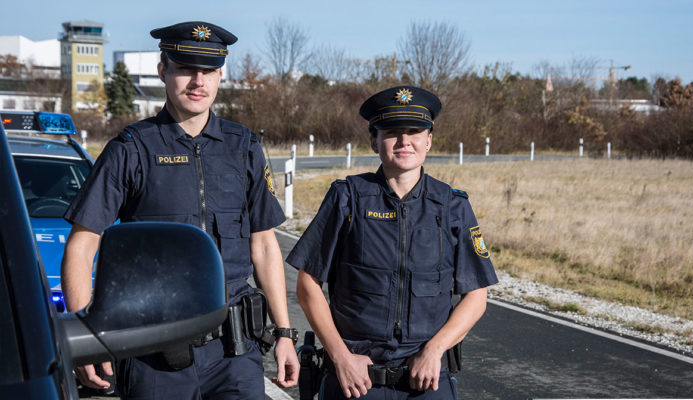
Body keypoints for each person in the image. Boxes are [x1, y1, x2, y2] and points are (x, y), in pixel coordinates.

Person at [61, 21, 299, 399]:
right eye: (186, 68)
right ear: (163, 71)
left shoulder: (244, 147)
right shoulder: (130, 149)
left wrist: (285, 334)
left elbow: (265, 247)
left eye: (208, 71)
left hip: (234, 354)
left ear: (221, 76)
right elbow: (82, 243)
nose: (197, 82)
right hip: (152, 353)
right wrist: (88, 334)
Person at [287, 86, 499, 399]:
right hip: (356, 382)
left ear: (428, 139)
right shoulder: (346, 198)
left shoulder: (453, 207)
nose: (404, 141)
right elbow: (307, 284)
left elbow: (476, 296)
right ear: (374, 140)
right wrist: (340, 357)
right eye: (392, 131)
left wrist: (434, 351)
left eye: (414, 131)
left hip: (426, 381)